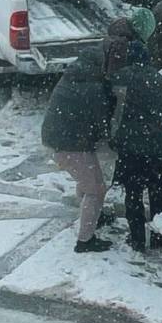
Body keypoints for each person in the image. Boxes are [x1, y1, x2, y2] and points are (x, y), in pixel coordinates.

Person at [108, 20, 162, 251]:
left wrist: (115, 137)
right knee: (158, 193)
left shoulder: (120, 78)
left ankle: (137, 238)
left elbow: (112, 111)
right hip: (157, 149)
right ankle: (159, 236)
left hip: (130, 149)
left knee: (134, 194)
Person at [41, 44, 113, 253]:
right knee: (96, 189)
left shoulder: (71, 78)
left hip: (58, 140)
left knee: (88, 180)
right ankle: (85, 241)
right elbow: (102, 124)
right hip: (71, 145)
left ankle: (92, 214)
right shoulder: (93, 87)